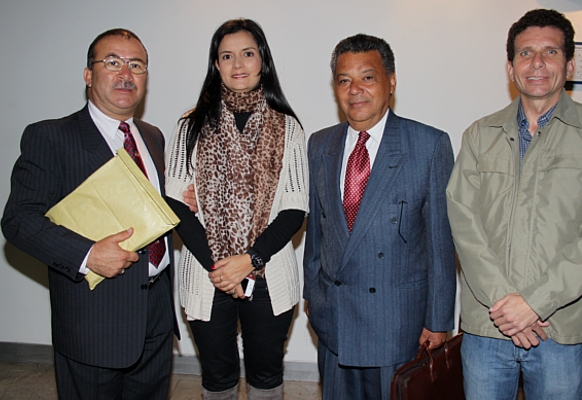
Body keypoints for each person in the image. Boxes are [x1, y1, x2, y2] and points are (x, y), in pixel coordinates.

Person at [446, 9, 582, 400]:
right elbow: (464, 222)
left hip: (560, 326)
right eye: (525, 53)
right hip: (489, 323)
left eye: (550, 52)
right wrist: (506, 304)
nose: (537, 63)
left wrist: (535, 303)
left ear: (569, 65)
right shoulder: (480, 135)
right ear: (510, 67)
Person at [2, 29, 178, 399]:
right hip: (93, 323)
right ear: (88, 74)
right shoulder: (51, 137)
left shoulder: (153, 137)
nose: (126, 74)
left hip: (157, 317)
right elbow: (19, 219)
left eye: (136, 65)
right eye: (112, 62)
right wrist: (88, 254)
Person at [303, 34, 457, 400]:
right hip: (335, 319)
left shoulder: (428, 145)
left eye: (367, 77)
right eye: (344, 80)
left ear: (391, 81)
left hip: (397, 324)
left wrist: (438, 321)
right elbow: (318, 231)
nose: (355, 89)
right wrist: (312, 294)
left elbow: (440, 243)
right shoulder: (320, 144)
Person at [164, 19, 308, 400]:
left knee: (266, 375)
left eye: (247, 53)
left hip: (269, 272)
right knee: (217, 377)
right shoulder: (190, 126)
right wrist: (222, 268)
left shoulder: (288, 128)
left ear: (263, 60)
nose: (238, 64)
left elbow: (295, 209)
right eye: (227, 56)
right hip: (206, 273)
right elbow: (175, 203)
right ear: (216, 65)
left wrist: (249, 260)